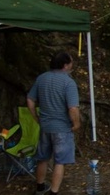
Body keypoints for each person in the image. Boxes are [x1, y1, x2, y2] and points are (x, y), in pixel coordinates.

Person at [29, 52, 81, 195]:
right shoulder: (68, 82)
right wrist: (76, 123)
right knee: (60, 160)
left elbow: (30, 100)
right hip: (62, 127)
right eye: (71, 62)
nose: (72, 64)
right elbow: (72, 108)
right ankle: (54, 191)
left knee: (43, 157)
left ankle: (39, 187)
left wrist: (36, 118)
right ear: (65, 65)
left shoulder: (41, 78)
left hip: (45, 126)